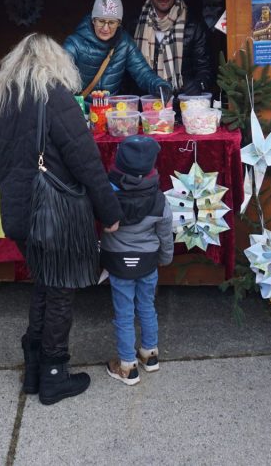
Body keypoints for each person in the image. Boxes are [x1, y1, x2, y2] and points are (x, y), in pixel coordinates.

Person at [0, 34, 123, 405]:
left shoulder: (1, 100)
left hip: (19, 213)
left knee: (45, 285)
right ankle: (54, 374)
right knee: (60, 290)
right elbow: (86, 162)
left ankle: (34, 369)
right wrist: (110, 213)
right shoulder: (55, 96)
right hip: (53, 212)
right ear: (55, 62)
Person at [100, 135, 173, 386]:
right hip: (148, 262)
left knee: (124, 313)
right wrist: (165, 258)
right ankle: (150, 355)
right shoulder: (159, 199)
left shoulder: (107, 195)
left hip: (118, 262)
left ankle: (127, 366)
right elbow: (165, 234)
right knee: (147, 307)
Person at [64, 0, 171, 98]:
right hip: (80, 108)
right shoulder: (74, 44)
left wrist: (160, 85)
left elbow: (142, 71)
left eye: (111, 22)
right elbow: (60, 80)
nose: (106, 28)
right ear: (93, 20)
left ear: (119, 23)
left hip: (110, 108)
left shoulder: (124, 43)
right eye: (101, 21)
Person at [131, 0, 213, 94]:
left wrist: (198, 84)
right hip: (145, 102)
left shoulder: (194, 25)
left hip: (181, 101)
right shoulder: (135, 24)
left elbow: (205, 69)